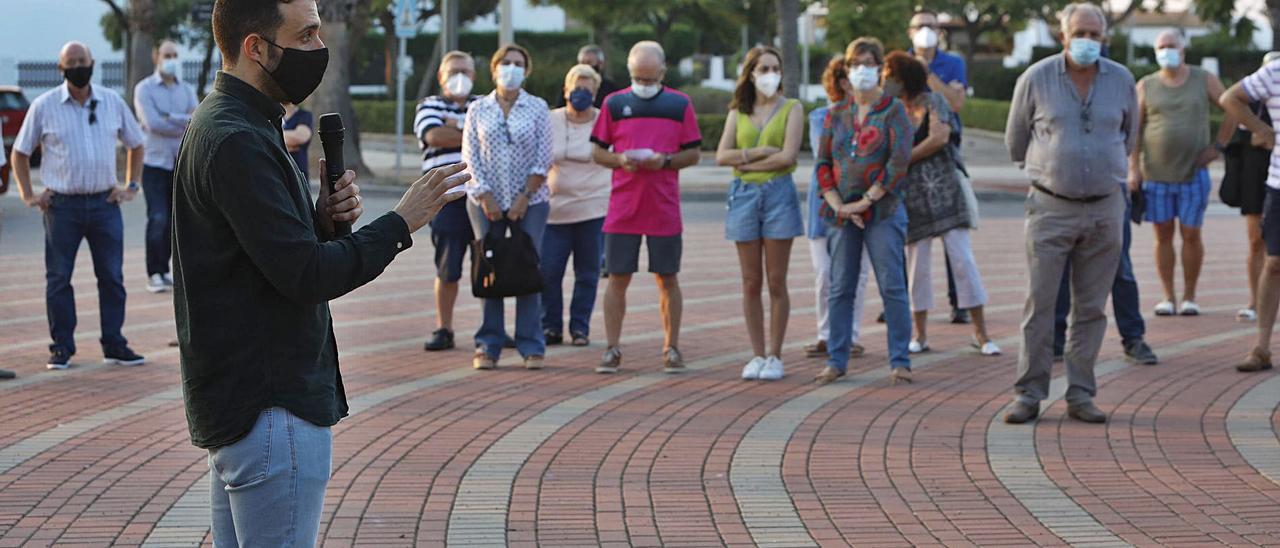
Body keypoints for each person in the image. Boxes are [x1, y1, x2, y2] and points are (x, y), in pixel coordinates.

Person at [175, 1, 468, 544]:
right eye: (306, 34)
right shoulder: (237, 136)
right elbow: (306, 276)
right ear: (255, 47)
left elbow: (258, 258)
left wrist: (320, 222)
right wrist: (401, 222)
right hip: (270, 406)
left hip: (247, 405)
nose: (319, 48)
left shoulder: (230, 121)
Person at [1004, 3, 1137, 424]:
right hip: (1050, 206)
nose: (1087, 42)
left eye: (1095, 35)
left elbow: (1128, 138)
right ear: (1063, 36)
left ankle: (1081, 393)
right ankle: (1029, 393)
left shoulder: (1122, 80)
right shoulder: (1036, 78)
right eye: (1080, 33)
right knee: (1040, 304)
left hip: (1104, 208)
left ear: (1105, 38)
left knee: (1092, 307)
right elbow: (1015, 141)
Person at [10, 41, 147, 371]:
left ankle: (114, 343)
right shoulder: (44, 106)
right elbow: (19, 153)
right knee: (59, 279)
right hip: (62, 207)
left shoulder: (112, 101)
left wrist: (131, 186)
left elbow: (137, 143)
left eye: (82, 60)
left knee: (112, 277)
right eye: (71, 62)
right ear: (61, 69)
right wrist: (29, 194)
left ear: (93, 62)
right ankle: (62, 347)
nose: (77, 66)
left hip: (104, 204)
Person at [591, 41, 702, 375]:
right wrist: (618, 159)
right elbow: (597, 151)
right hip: (622, 207)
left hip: (663, 207)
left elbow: (693, 153)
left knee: (667, 277)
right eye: (638, 77)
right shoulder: (614, 103)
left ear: (663, 72)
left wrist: (665, 160)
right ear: (629, 72)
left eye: (650, 78)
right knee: (617, 278)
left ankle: (672, 347)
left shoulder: (679, 104)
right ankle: (612, 348)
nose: (643, 84)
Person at [884, 52, 1000, 357]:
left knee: (962, 261)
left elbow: (939, 137)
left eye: (890, 75)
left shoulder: (934, 102)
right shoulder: (892, 109)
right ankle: (919, 334)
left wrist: (902, 160)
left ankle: (981, 333)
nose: (885, 80)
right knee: (917, 266)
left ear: (904, 77)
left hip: (946, 191)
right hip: (912, 197)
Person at [813, 37, 914, 386]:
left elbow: (899, 160)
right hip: (841, 213)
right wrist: (838, 203)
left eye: (869, 63)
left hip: (882, 209)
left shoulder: (894, 110)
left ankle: (900, 360)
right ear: (846, 70)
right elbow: (823, 161)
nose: (862, 70)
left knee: (892, 285)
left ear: (880, 68)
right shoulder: (835, 113)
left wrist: (867, 199)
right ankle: (836, 359)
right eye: (856, 64)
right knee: (840, 285)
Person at [715, 46, 805, 381]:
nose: (770, 74)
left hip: (778, 193)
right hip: (743, 196)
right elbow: (722, 156)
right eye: (763, 68)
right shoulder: (738, 111)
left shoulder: (792, 108)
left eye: (775, 68)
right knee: (751, 281)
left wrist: (748, 161)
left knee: (776, 280)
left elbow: (788, 157)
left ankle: (775, 354)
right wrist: (759, 151)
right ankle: (756, 353)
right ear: (750, 73)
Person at [463, 43, 553, 371]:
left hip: (530, 204)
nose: (511, 68)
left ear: (526, 70)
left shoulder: (537, 107)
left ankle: (531, 344)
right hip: (484, 203)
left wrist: (523, 198)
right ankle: (489, 343)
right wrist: (485, 195)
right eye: (506, 63)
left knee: (527, 266)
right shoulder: (478, 109)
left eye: (518, 63)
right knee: (490, 269)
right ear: (495, 68)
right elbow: (469, 156)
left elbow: (544, 158)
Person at [1131, 30, 1227, 317]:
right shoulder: (1146, 85)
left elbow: (1232, 108)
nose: (1166, 51)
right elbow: (1134, 130)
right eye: (1161, 47)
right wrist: (1133, 168)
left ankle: (1189, 296)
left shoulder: (1203, 79)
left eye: (1171, 46)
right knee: (1162, 236)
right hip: (1156, 176)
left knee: (1191, 234)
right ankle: (1167, 297)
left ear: (1183, 48)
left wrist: (1218, 146)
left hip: (1193, 175)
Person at [908, 7, 971, 325]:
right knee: (912, 236)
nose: (926, 31)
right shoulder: (899, 61)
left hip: (946, 156)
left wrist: (925, 73)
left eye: (931, 26)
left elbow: (956, 103)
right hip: (910, 156)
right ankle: (906, 300)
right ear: (910, 31)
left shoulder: (953, 63)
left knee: (952, 229)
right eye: (920, 26)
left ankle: (959, 300)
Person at [806, 57, 872, 362]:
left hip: (863, 204)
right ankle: (826, 334)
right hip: (825, 205)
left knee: (856, 275)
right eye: (848, 76)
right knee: (825, 274)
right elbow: (831, 155)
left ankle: (851, 336)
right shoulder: (821, 116)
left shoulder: (876, 114)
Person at [542, 64, 611, 348]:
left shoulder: (605, 121)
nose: (580, 93)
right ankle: (550, 326)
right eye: (576, 88)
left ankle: (580, 327)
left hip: (593, 209)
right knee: (548, 271)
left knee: (588, 273)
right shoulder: (549, 119)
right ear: (565, 90)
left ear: (595, 93)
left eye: (587, 89)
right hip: (554, 210)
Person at [416, 50, 480, 352]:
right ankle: (445, 327)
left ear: (475, 76)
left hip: (483, 198)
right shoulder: (429, 105)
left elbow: (499, 136)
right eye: (454, 71)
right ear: (441, 77)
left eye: (466, 72)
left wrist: (455, 126)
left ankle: (491, 328)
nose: (460, 77)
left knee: (491, 264)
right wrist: (475, 131)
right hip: (447, 197)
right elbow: (434, 136)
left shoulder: (483, 103)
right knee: (448, 266)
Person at [1221, 51, 1280, 373]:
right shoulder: (1275, 72)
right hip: (1278, 183)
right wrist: (1261, 128)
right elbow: (1231, 98)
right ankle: (1261, 347)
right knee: (1273, 264)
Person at [134, 39, 199, 294]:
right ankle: (155, 271)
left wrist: (168, 117)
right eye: (166, 54)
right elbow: (151, 124)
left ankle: (170, 269)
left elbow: (195, 121)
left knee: (177, 220)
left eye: (174, 54)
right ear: (155, 56)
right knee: (158, 217)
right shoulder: (144, 89)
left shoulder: (186, 89)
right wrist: (179, 122)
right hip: (154, 164)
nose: (171, 59)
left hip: (181, 163)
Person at [556, 44, 623, 110]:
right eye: (582, 63)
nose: (585, 67)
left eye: (589, 62)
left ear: (600, 64)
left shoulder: (611, 89)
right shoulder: (570, 86)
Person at [283, 102, 314, 180]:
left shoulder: (304, 115)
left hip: (299, 170)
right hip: (279, 170)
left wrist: (275, 140)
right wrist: (290, 145)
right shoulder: (273, 116)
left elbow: (300, 137)